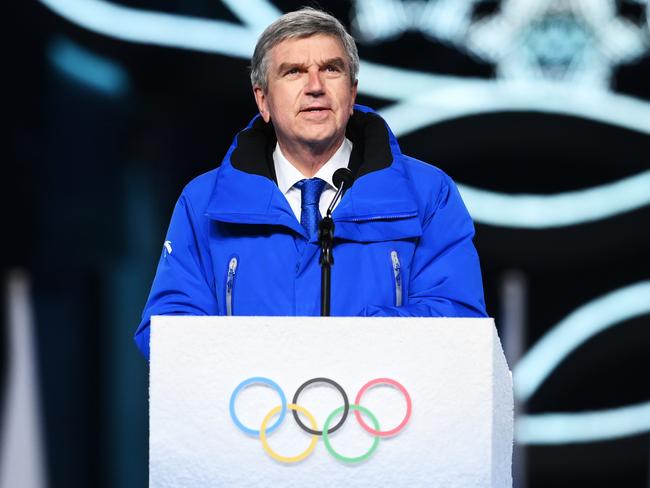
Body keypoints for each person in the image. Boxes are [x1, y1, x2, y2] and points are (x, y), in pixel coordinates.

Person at [134, 8, 487, 359]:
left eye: (331, 69)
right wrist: (277, 353)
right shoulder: (203, 201)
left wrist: (340, 340)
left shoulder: (428, 193)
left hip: (383, 411)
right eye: (294, 72)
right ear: (263, 99)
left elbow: (458, 321)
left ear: (351, 94)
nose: (315, 87)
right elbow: (166, 332)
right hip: (248, 410)